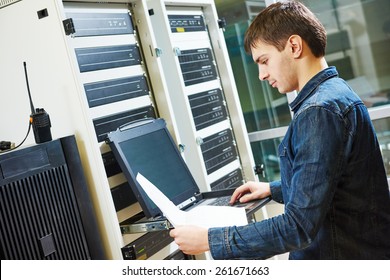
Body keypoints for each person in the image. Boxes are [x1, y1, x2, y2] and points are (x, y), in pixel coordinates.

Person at [169, 0, 390, 259]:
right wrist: (275, 188)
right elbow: (333, 178)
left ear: (294, 46)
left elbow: (298, 227)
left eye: (264, 60)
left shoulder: (319, 111)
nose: (262, 75)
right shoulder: (335, 93)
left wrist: (210, 239)